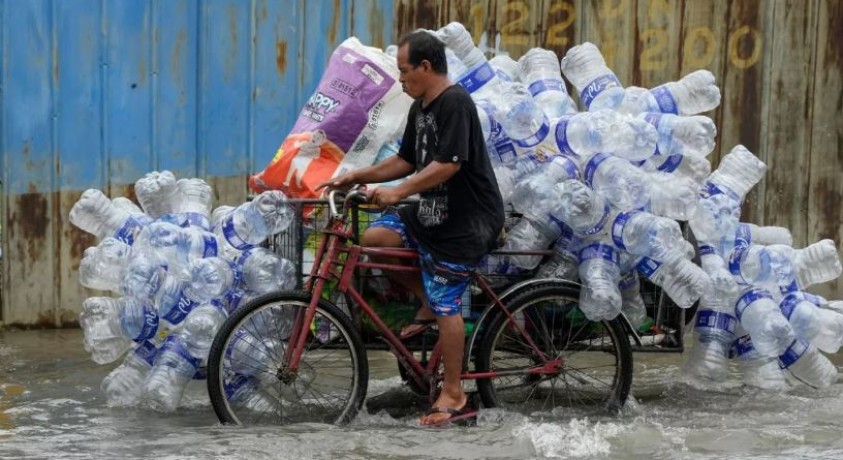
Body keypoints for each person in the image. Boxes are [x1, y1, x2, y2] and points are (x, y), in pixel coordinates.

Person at [317, 30, 504, 425]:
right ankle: (429, 304)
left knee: (447, 301)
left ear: (425, 66)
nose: (400, 78)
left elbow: (449, 164)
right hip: (434, 213)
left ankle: (454, 394)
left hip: (467, 220)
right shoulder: (420, 109)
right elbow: (403, 160)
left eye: (404, 71)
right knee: (375, 239)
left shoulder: (455, 103)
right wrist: (355, 177)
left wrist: (399, 192)